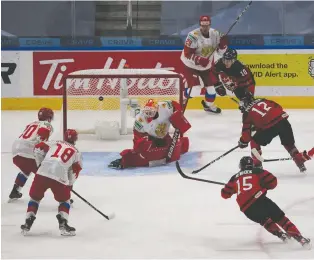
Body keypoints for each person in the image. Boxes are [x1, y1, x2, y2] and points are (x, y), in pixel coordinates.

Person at [221, 156, 311, 249]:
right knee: (280, 218)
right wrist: (263, 185)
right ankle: (300, 238)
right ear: (252, 164)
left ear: (241, 166)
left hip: (247, 209)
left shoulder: (235, 177)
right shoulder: (258, 171)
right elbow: (273, 182)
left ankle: (281, 235)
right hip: (260, 200)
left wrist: (232, 188)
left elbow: (225, 194)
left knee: (264, 221)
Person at [20, 129, 82, 236]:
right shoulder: (77, 152)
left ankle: (28, 220)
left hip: (42, 173)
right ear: (76, 139)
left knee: (35, 198)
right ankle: (63, 222)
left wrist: (40, 164)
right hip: (60, 177)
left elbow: (38, 148)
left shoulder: (54, 143)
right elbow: (75, 171)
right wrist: (69, 184)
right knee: (64, 201)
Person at [108, 99, 190, 169]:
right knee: (141, 151)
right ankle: (126, 160)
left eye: (151, 113)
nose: (148, 115)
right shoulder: (140, 119)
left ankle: (181, 144)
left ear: (157, 109)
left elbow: (175, 105)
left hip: (164, 136)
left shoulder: (164, 107)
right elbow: (137, 135)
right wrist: (140, 146)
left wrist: (178, 115)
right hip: (149, 136)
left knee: (173, 149)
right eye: (146, 113)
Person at [237, 92, 307, 172]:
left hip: (270, 128)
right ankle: (299, 161)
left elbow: (246, 135)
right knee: (289, 143)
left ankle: (257, 165)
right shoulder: (264, 100)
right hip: (283, 122)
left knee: (254, 140)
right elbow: (278, 107)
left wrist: (242, 142)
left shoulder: (246, 113)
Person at [180, 15, 228, 114]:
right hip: (191, 65)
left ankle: (208, 106)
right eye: (203, 25)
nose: (205, 27)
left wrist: (223, 46)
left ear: (210, 24)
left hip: (205, 67)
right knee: (196, 89)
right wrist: (198, 59)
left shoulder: (216, 34)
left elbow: (220, 53)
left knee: (211, 91)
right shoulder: (193, 35)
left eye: (207, 25)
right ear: (200, 25)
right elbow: (187, 53)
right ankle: (183, 97)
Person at [9, 107, 54, 201]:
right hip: (28, 151)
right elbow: (41, 138)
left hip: (15, 151)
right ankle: (63, 197)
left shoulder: (32, 123)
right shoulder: (47, 125)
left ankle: (15, 190)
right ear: (49, 118)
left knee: (26, 169)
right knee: (47, 174)